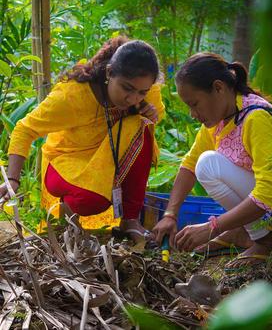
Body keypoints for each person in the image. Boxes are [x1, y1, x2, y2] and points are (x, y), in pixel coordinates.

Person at [0, 36, 165, 243]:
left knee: (143, 126)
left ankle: (130, 220)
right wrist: (13, 179)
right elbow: (25, 129)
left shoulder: (144, 91)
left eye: (142, 92)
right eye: (127, 88)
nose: (133, 98)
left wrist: (148, 112)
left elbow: (157, 114)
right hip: (65, 163)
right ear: (109, 73)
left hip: (105, 160)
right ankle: (67, 214)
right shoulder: (72, 96)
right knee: (93, 200)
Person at [153, 52, 272, 267]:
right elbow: (189, 165)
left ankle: (265, 241)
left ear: (219, 88)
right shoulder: (221, 119)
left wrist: (212, 227)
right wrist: (170, 215)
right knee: (204, 163)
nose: (192, 113)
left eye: (195, 104)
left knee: (208, 164)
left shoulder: (256, 118)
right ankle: (252, 234)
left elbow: (271, 192)